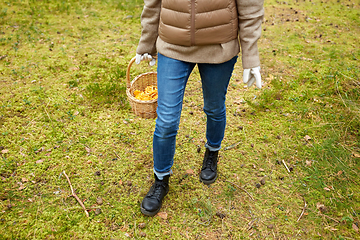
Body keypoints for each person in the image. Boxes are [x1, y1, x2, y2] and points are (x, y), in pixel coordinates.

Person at [135, 0, 264, 216]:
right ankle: (161, 180)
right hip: (172, 45)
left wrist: (251, 57)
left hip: (219, 47)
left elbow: (250, 8)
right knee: (166, 120)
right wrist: (146, 43)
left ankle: (212, 153)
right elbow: (153, 3)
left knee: (214, 108)